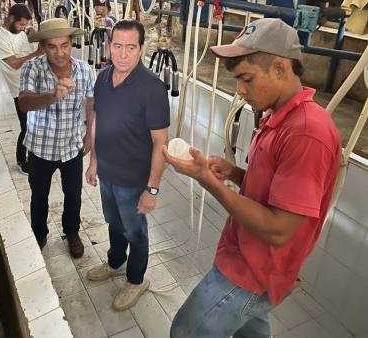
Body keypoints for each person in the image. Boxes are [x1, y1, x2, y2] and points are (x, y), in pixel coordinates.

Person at [165, 18, 342, 338]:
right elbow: (273, 190)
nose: (240, 90)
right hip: (247, 254)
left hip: (253, 271)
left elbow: (278, 229)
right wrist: (232, 173)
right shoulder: (279, 114)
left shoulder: (306, 132)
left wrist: (210, 182)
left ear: (279, 68)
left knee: (185, 332)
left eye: (246, 78)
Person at [85, 20, 170, 310]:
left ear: (141, 49)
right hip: (107, 172)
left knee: (135, 231)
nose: (123, 54)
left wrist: (152, 189)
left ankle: (136, 280)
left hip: (133, 180)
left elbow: (161, 145)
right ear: (109, 46)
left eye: (130, 47)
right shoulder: (103, 78)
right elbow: (98, 122)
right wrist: (94, 161)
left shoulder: (152, 89)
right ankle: (116, 261)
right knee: (113, 222)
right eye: (117, 46)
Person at [18, 18, 95, 258]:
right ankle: (39, 234)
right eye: (52, 46)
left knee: (73, 194)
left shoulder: (84, 70)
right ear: (43, 46)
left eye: (64, 45)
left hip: (72, 147)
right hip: (41, 147)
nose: (59, 52)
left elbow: (92, 102)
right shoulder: (33, 68)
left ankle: (71, 231)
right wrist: (52, 95)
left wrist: (90, 136)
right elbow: (24, 102)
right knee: (39, 195)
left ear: (71, 44)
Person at [0, 3, 44, 174]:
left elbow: (27, 55)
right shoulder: (0, 37)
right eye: (21, 24)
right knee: (26, 126)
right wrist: (35, 54)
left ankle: (35, 154)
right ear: (11, 18)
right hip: (16, 90)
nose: (23, 28)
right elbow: (13, 63)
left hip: (30, 85)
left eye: (25, 25)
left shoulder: (20, 33)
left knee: (35, 124)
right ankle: (22, 161)